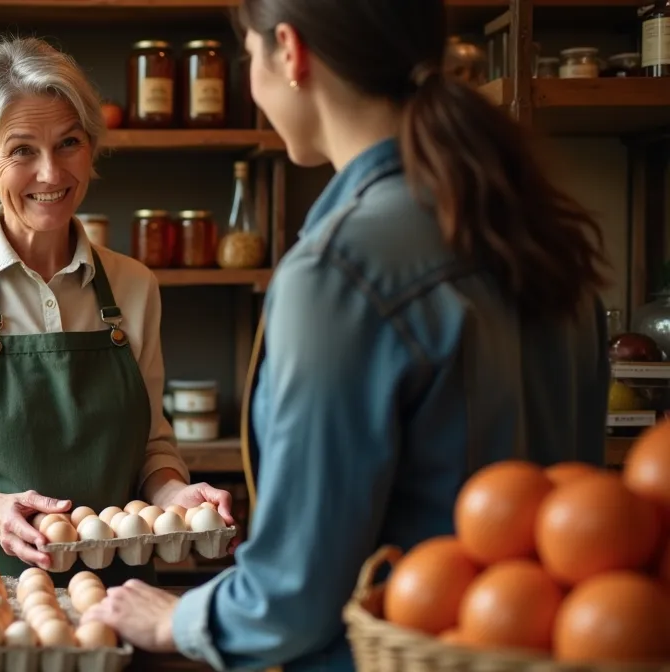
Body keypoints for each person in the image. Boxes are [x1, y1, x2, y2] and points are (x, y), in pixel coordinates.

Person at [82, 0, 610, 668]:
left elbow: (293, 596)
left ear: (290, 50)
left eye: (248, 57)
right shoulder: (539, 232)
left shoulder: (340, 269)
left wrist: (180, 619)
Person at [0, 36, 235, 584]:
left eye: (69, 143)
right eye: (22, 151)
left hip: (118, 596)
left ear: (92, 147)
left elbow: (152, 446)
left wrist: (174, 492)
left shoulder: (134, 286)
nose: (52, 174)